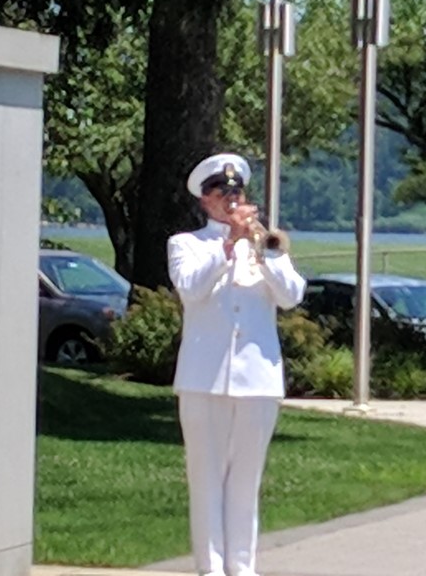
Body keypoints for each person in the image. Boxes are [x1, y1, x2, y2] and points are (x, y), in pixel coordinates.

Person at [169, 152, 306, 576]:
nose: (230, 200)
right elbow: (191, 290)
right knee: (206, 481)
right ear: (204, 201)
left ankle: (242, 569)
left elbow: (292, 296)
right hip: (202, 379)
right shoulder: (187, 244)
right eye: (220, 193)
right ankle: (210, 569)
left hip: (258, 381)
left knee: (246, 484)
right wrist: (227, 246)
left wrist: (260, 253)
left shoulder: (265, 245)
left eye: (236, 192)